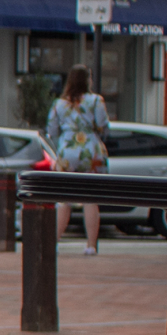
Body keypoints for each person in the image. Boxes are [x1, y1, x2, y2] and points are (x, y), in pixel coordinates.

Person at [45, 64, 111, 254]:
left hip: (66, 152)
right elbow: (103, 126)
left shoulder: (59, 104)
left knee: (63, 200)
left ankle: (54, 243)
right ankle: (91, 245)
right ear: (87, 80)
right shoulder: (96, 101)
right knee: (90, 199)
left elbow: (51, 131)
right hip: (90, 152)